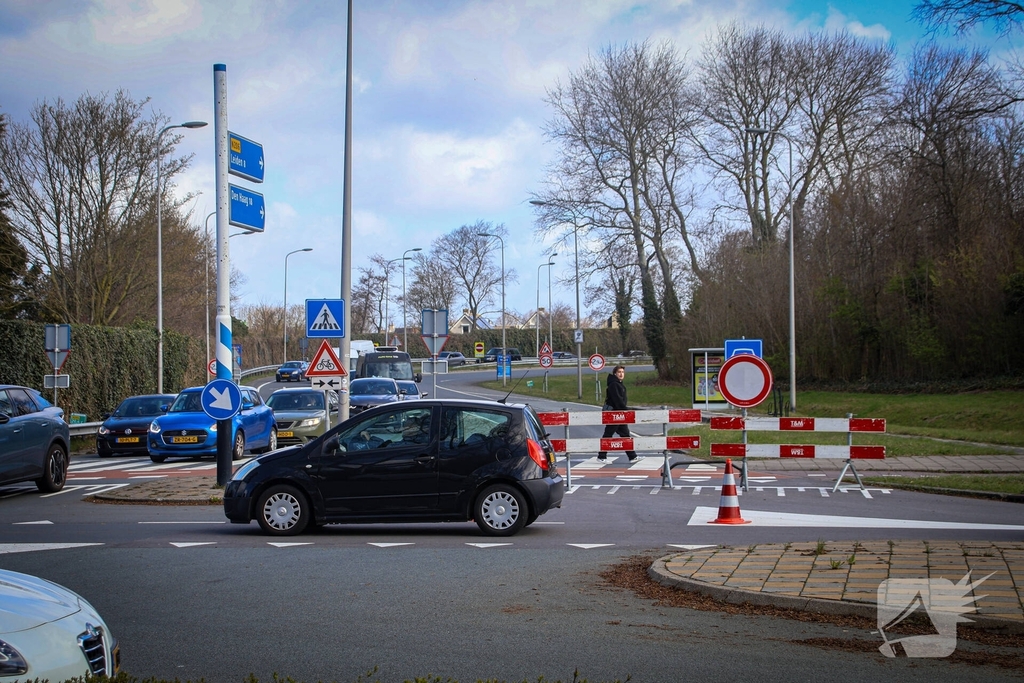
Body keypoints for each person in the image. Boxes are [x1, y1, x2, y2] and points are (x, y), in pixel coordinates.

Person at [598, 365, 638, 462]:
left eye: (622, 372)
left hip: (619, 414)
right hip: (614, 414)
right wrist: (625, 409)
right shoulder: (614, 385)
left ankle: (632, 456)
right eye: (619, 372)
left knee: (625, 435)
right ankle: (601, 456)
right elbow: (617, 400)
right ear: (615, 373)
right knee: (608, 434)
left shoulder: (619, 384)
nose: (621, 374)